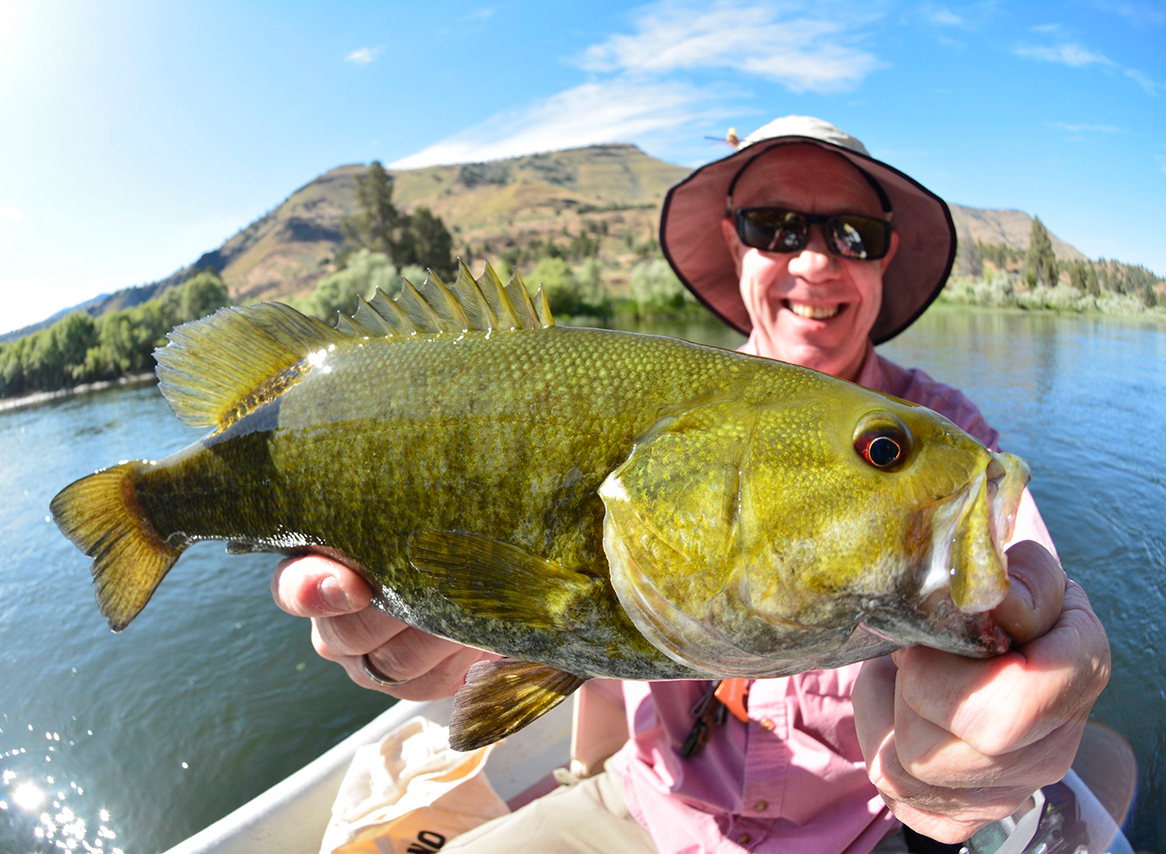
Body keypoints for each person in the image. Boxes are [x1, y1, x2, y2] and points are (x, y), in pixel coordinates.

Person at [270, 116, 1110, 853]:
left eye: (853, 233)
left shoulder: (952, 444)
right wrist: (459, 643)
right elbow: (583, 660)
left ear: (885, 257)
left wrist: (1002, 724)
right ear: (735, 244)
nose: (816, 261)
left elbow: (1027, 582)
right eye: (776, 226)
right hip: (644, 814)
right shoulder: (624, 415)